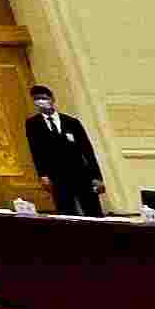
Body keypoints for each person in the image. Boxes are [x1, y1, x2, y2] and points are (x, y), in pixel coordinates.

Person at [22, 86, 106, 217]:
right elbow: (36, 151)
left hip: (80, 172)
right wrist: (42, 175)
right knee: (66, 211)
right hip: (56, 175)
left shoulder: (72, 122)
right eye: (37, 99)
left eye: (44, 98)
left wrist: (97, 177)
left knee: (92, 210)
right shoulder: (33, 124)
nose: (41, 102)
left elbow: (87, 151)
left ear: (52, 99)